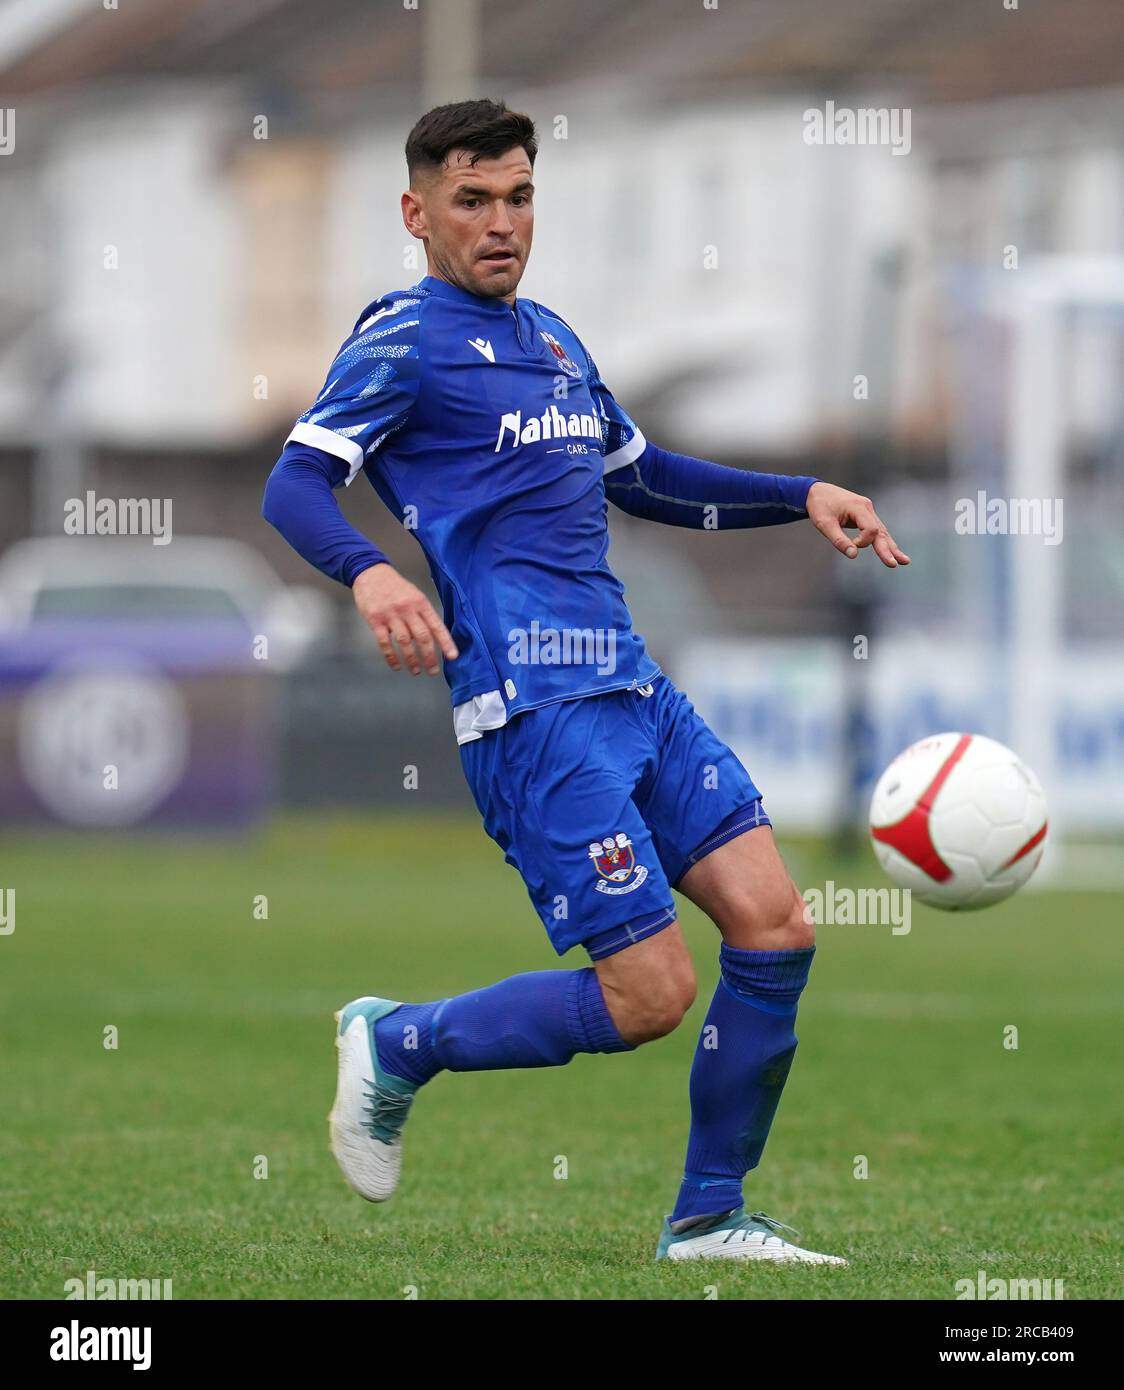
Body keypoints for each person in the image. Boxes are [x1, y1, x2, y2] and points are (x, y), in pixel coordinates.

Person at [262, 98, 909, 1264]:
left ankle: (708, 1220)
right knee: (649, 993)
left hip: (628, 686)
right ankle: (401, 1042)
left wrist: (796, 492)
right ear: (417, 214)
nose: (500, 223)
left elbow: (644, 475)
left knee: (775, 927)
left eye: (516, 197)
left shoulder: (553, 338)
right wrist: (368, 577)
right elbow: (296, 485)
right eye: (471, 201)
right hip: (532, 711)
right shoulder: (402, 337)